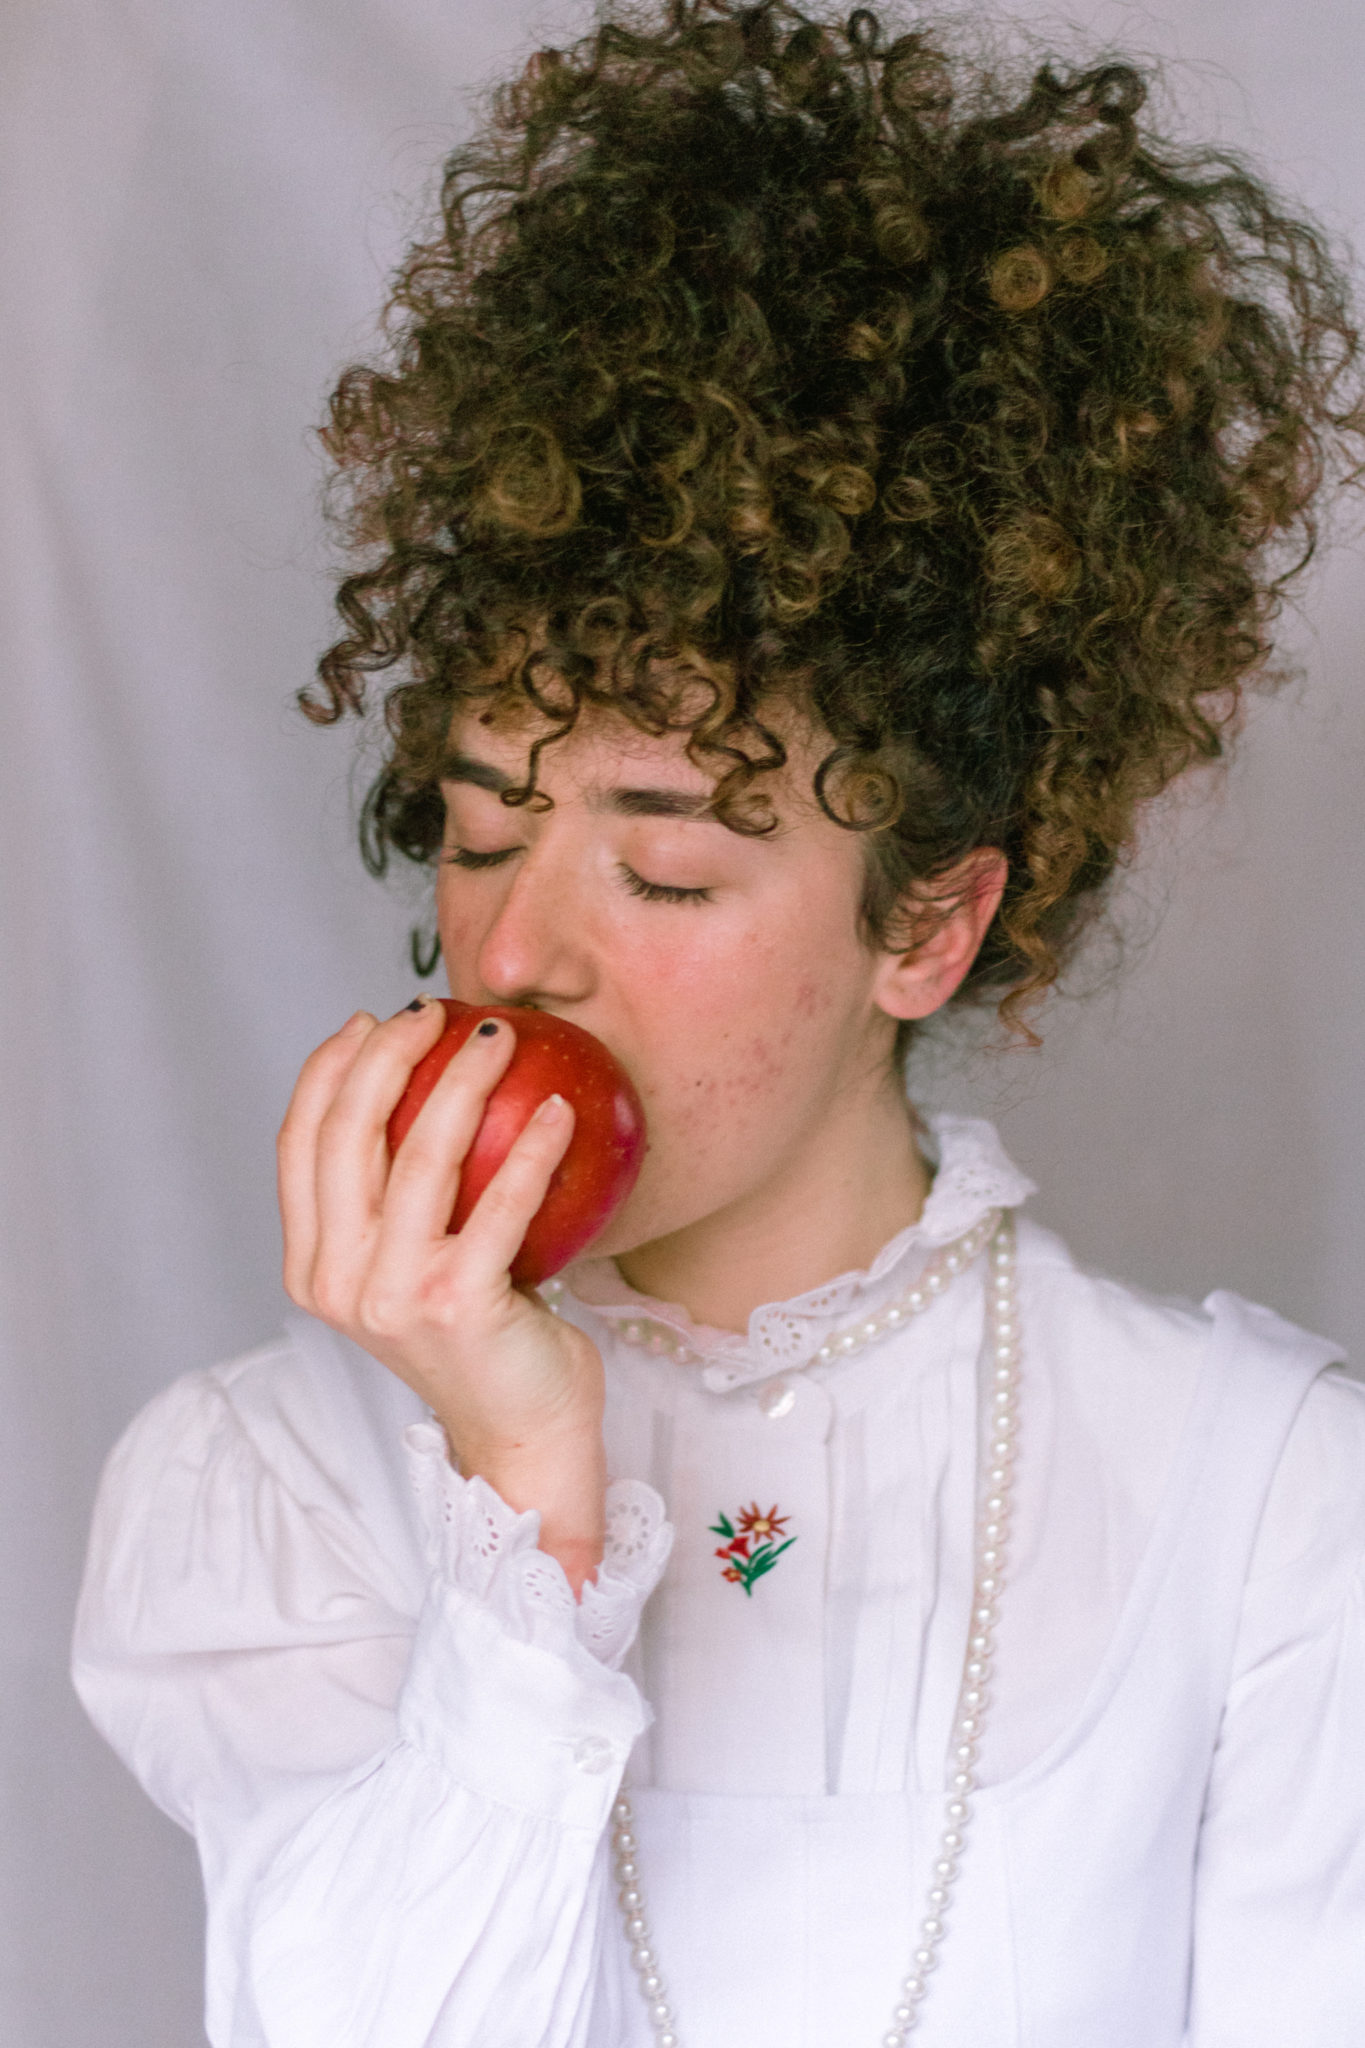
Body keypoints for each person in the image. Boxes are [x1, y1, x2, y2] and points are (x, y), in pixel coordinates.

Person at [72, 4, 1365, 2044]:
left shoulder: (1266, 1498)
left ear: (926, 924)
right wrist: (520, 1482)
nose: (515, 956)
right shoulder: (275, 1476)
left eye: (663, 870)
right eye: (479, 834)